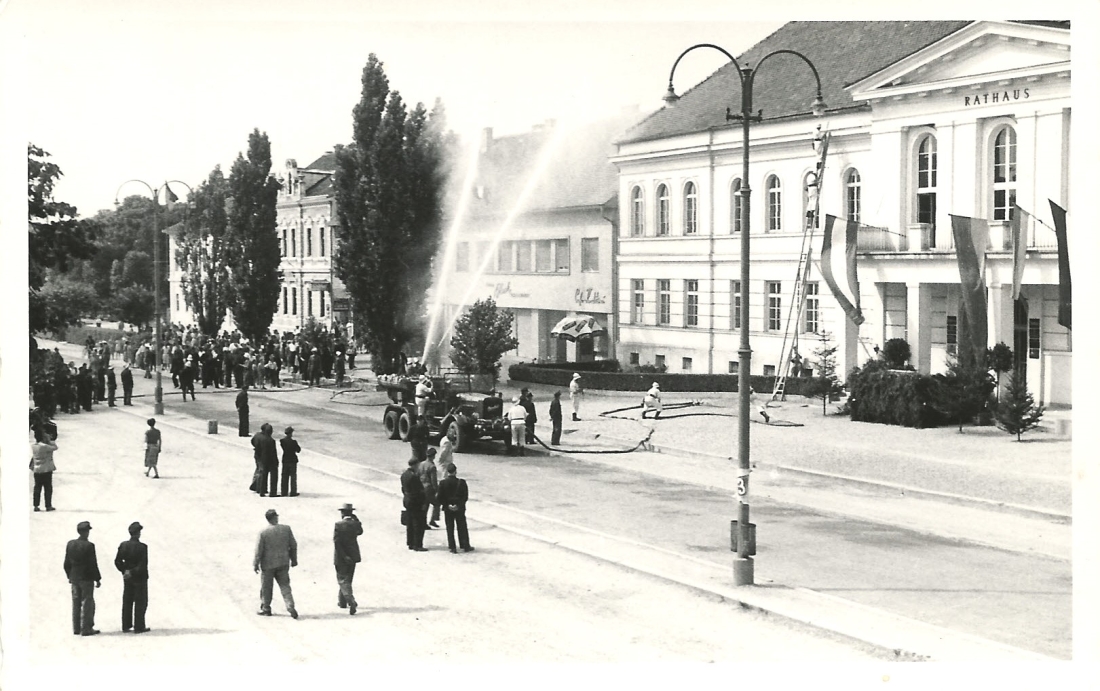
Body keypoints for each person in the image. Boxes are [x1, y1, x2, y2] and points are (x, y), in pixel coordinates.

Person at [253, 509, 298, 618]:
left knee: (266, 587)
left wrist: (256, 563)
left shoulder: (263, 533)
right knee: (285, 586)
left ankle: (266, 608)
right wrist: (294, 559)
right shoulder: (286, 529)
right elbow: (293, 545)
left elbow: (259, 550)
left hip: (268, 565)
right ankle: (290, 605)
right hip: (283, 562)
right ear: (276, 517)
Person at [64, 520, 102, 636]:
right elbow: (92, 564)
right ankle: (86, 628)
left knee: (76, 602)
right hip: (86, 578)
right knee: (87, 602)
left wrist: (69, 575)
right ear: (86, 532)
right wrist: (97, 578)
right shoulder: (89, 546)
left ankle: (76, 628)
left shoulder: (70, 544)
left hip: (74, 577)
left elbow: (66, 563)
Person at [114, 521, 150, 633]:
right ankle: (139, 626)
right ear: (138, 533)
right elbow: (143, 564)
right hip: (140, 577)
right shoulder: (142, 547)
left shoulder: (123, 545)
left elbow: (117, 561)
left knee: (127, 600)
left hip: (127, 577)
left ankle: (126, 625)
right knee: (140, 601)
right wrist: (133, 571)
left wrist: (125, 571)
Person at [436, 463, 473, 554]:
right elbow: (465, 497)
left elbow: (440, 497)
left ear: (447, 472)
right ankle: (465, 545)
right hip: (459, 508)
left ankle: (452, 547)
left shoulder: (443, 483)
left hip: (448, 508)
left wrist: (447, 505)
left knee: (450, 527)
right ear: (455, 471)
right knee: (462, 527)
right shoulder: (461, 482)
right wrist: (458, 505)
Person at [333, 503, 362, 615]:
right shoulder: (355, 524)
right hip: (354, 555)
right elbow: (360, 531)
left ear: (342, 513)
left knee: (342, 579)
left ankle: (350, 600)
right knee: (348, 578)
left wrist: (344, 556)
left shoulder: (338, 525)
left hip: (341, 556)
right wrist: (356, 519)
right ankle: (342, 602)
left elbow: (336, 542)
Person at [401, 457, 428, 551]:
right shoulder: (414, 477)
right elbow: (419, 491)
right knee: (418, 524)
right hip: (415, 502)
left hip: (407, 500)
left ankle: (410, 542)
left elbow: (403, 489)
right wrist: (423, 502)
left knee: (410, 523)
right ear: (415, 465)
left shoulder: (404, 475)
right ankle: (418, 544)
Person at [30, 427, 58, 511]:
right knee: (48, 488)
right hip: (46, 469)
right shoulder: (45, 446)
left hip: (37, 469)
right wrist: (49, 440)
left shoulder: (34, 446)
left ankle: (36, 505)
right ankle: (48, 505)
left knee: (37, 488)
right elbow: (55, 447)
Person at [251, 423, 279, 497]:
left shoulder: (257, 436)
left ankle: (261, 490)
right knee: (273, 476)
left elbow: (252, 442)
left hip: (259, 457)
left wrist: (257, 449)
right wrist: (276, 461)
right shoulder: (271, 440)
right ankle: (272, 492)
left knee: (262, 473)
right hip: (269, 460)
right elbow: (273, 452)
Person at [418, 448, 440, 529]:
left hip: (421, 487)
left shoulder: (421, 464)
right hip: (429, 488)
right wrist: (437, 490)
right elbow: (433, 480)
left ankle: (423, 522)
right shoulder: (432, 466)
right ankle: (433, 520)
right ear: (433, 456)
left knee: (425, 506)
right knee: (437, 503)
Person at [280, 426, 300, 497]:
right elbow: (298, 450)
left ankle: (284, 491)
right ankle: (293, 491)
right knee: (293, 476)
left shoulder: (282, 441)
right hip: (292, 459)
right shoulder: (293, 442)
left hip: (285, 459)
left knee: (284, 476)